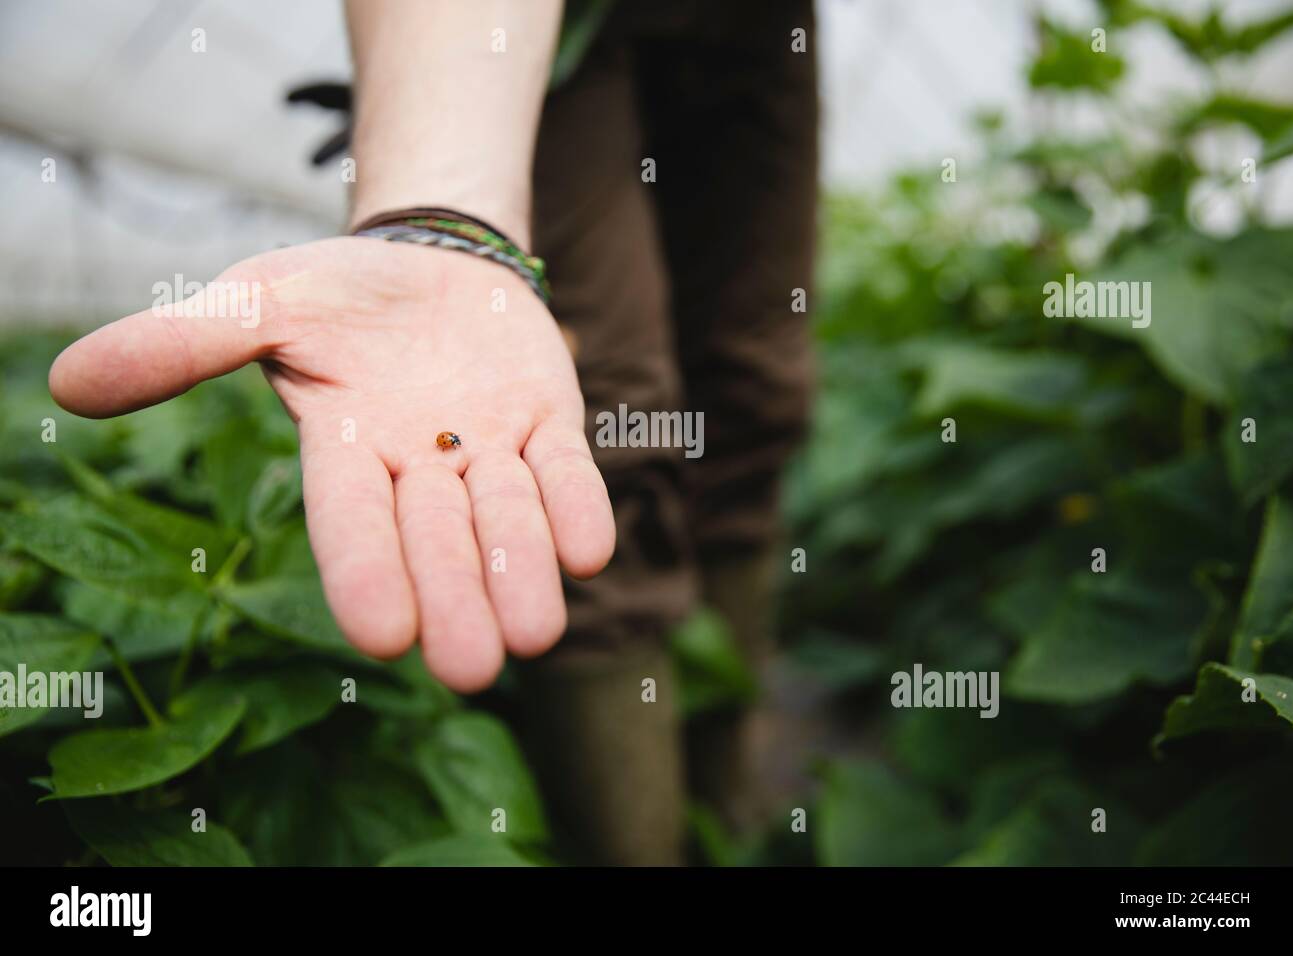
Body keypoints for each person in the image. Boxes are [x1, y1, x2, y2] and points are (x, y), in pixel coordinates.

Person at [48, 0, 817, 865]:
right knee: (607, 418)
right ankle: (642, 843)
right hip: (542, 44)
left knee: (754, 383)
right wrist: (446, 226)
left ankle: (728, 791)